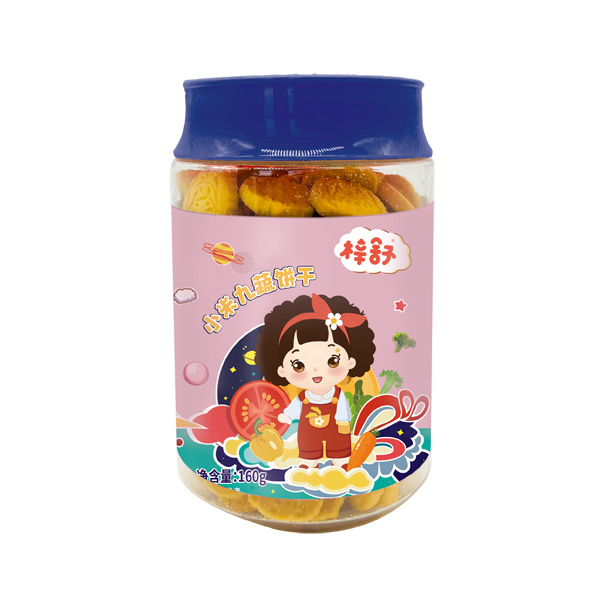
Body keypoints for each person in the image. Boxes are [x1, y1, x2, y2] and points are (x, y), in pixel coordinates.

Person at [255, 293, 376, 468]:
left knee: (339, 445)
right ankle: (309, 463)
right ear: (281, 370)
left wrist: (343, 420)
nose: (316, 371)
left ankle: (341, 461)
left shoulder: (338, 395)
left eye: (332, 361)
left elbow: (343, 409)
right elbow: (295, 407)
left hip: (336, 428)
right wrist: (288, 416)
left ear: (350, 361)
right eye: (298, 366)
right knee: (308, 445)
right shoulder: (303, 397)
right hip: (309, 431)